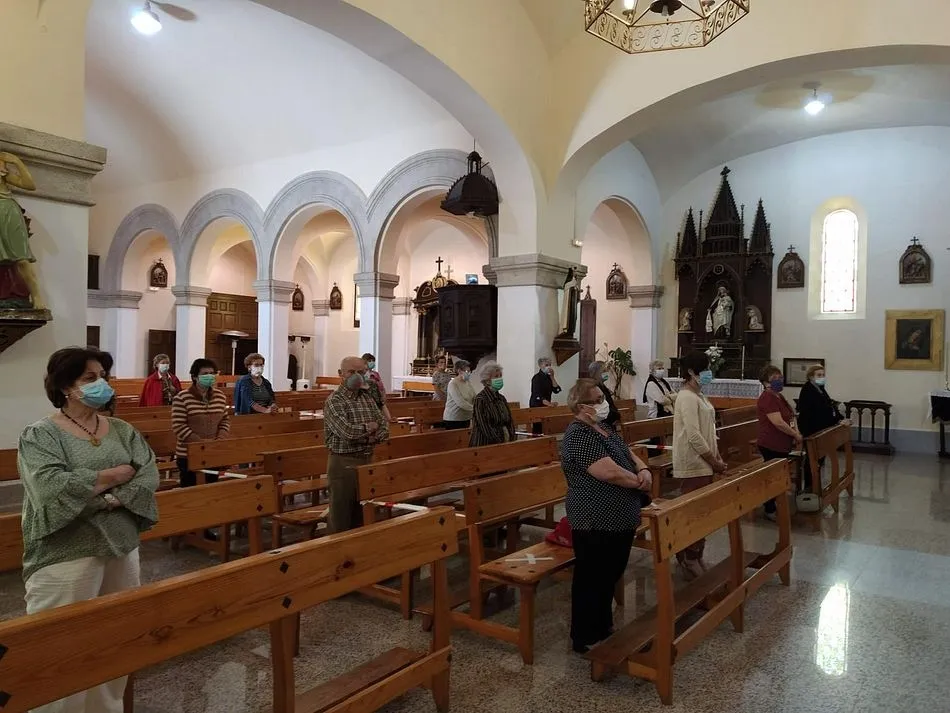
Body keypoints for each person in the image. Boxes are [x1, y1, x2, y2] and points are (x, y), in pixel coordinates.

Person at [17, 347, 159, 713]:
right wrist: (113, 477)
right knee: (61, 648)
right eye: (90, 378)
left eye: (103, 377)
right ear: (66, 386)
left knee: (115, 641)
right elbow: (50, 488)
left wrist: (100, 494)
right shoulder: (41, 435)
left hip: (121, 544)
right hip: (66, 551)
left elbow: (147, 476)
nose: (102, 384)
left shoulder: (123, 430)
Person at [561, 378, 653, 653]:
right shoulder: (578, 434)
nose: (604, 404)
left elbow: (627, 453)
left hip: (619, 516)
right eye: (598, 400)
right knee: (592, 577)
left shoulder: (603, 427)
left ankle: (603, 626)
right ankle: (585, 636)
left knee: (609, 575)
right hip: (594, 518)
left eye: (603, 398)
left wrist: (643, 469)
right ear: (582, 406)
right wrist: (639, 482)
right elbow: (608, 472)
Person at [672, 350, 728, 579]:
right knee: (695, 513)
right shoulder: (686, 396)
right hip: (693, 461)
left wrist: (717, 456)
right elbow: (693, 435)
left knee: (703, 512)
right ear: (691, 372)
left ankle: (695, 554)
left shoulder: (699, 395)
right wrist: (712, 460)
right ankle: (689, 557)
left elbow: (709, 430)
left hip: (705, 460)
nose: (708, 373)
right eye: (704, 369)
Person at [323, 356, 389, 532]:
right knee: (341, 517)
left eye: (361, 372)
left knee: (363, 515)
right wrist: (370, 428)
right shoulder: (335, 400)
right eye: (352, 372)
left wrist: (369, 435)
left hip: (367, 460)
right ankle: (336, 548)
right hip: (344, 463)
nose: (357, 376)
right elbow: (347, 432)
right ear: (341, 374)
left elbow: (384, 428)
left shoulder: (367, 398)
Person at [171, 358, 231, 488]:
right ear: (195, 377)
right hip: (188, 453)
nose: (209, 376)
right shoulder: (182, 398)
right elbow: (179, 426)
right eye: (205, 373)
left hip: (212, 450)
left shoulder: (220, 396)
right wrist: (201, 444)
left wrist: (219, 440)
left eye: (212, 373)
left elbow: (224, 421)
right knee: (189, 489)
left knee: (211, 487)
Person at [756, 364, 802, 521]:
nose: (779, 380)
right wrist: (795, 434)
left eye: (780, 377)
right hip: (771, 443)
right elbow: (778, 422)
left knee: (777, 476)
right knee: (773, 477)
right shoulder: (767, 397)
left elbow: (791, 416)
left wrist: (796, 431)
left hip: (782, 443)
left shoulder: (779, 396)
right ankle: (769, 509)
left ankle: (774, 505)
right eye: (774, 378)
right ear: (765, 382)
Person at [796, 364, 843, 491]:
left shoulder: (820, 388)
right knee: (812, 460)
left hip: (821, 430)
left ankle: (815, 486)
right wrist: (835, 420)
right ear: (811, 377)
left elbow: (829, 405)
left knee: (819, 459)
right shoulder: (808, 390)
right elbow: (819, 411)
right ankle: (809, 488)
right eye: (819, 375)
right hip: (812, 431)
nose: (822, 377)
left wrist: (840, 419)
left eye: (823, 375)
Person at [469, 361, 515, 446]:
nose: (500, 378)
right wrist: (499, 442)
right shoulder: (480, 399)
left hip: (504, 441)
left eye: (500, 376)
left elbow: (509, 420)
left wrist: (511, 436)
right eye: (496, 376)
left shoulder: (501, 398)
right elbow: (484, 426)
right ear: (487, 381)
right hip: (485, 443)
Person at [529, 357, 562, 435]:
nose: (549, 367)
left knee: (546, 428)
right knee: (538, 429)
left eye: (550, 365)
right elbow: (537, 395)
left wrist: (552, 377)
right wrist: (549, 404)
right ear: (540, 365)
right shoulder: (536, 378)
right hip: (537, 406)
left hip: (546, 406)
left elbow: (556, 390)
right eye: (546, 365)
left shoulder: (549, 377)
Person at [443, 359, 475, 429]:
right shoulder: (453, 384)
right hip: (453, 419)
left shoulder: (467, 382)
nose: (469, 373)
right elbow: (461, 402)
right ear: (459, 371)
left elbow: (474, 396)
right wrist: (476, 409)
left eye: (470, 371)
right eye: (467, 371)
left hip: (466, 417)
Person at [588, 361, 620, 429]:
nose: (607, 373)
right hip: (602, 424)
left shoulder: (602, 386)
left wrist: (616, 416)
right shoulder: (594, 388)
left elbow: (610, 404)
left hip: (609, 423)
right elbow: (601, 408)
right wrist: (613, 417)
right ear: (596, 373)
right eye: (604, 371)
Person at [362, 352, 393, 422]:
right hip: (368, 399)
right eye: (369, 361)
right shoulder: (362, 375)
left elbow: (381, 386)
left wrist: (383, 395)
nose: (372, 362)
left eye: (373, 361)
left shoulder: (376, 374)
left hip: (378, 397)